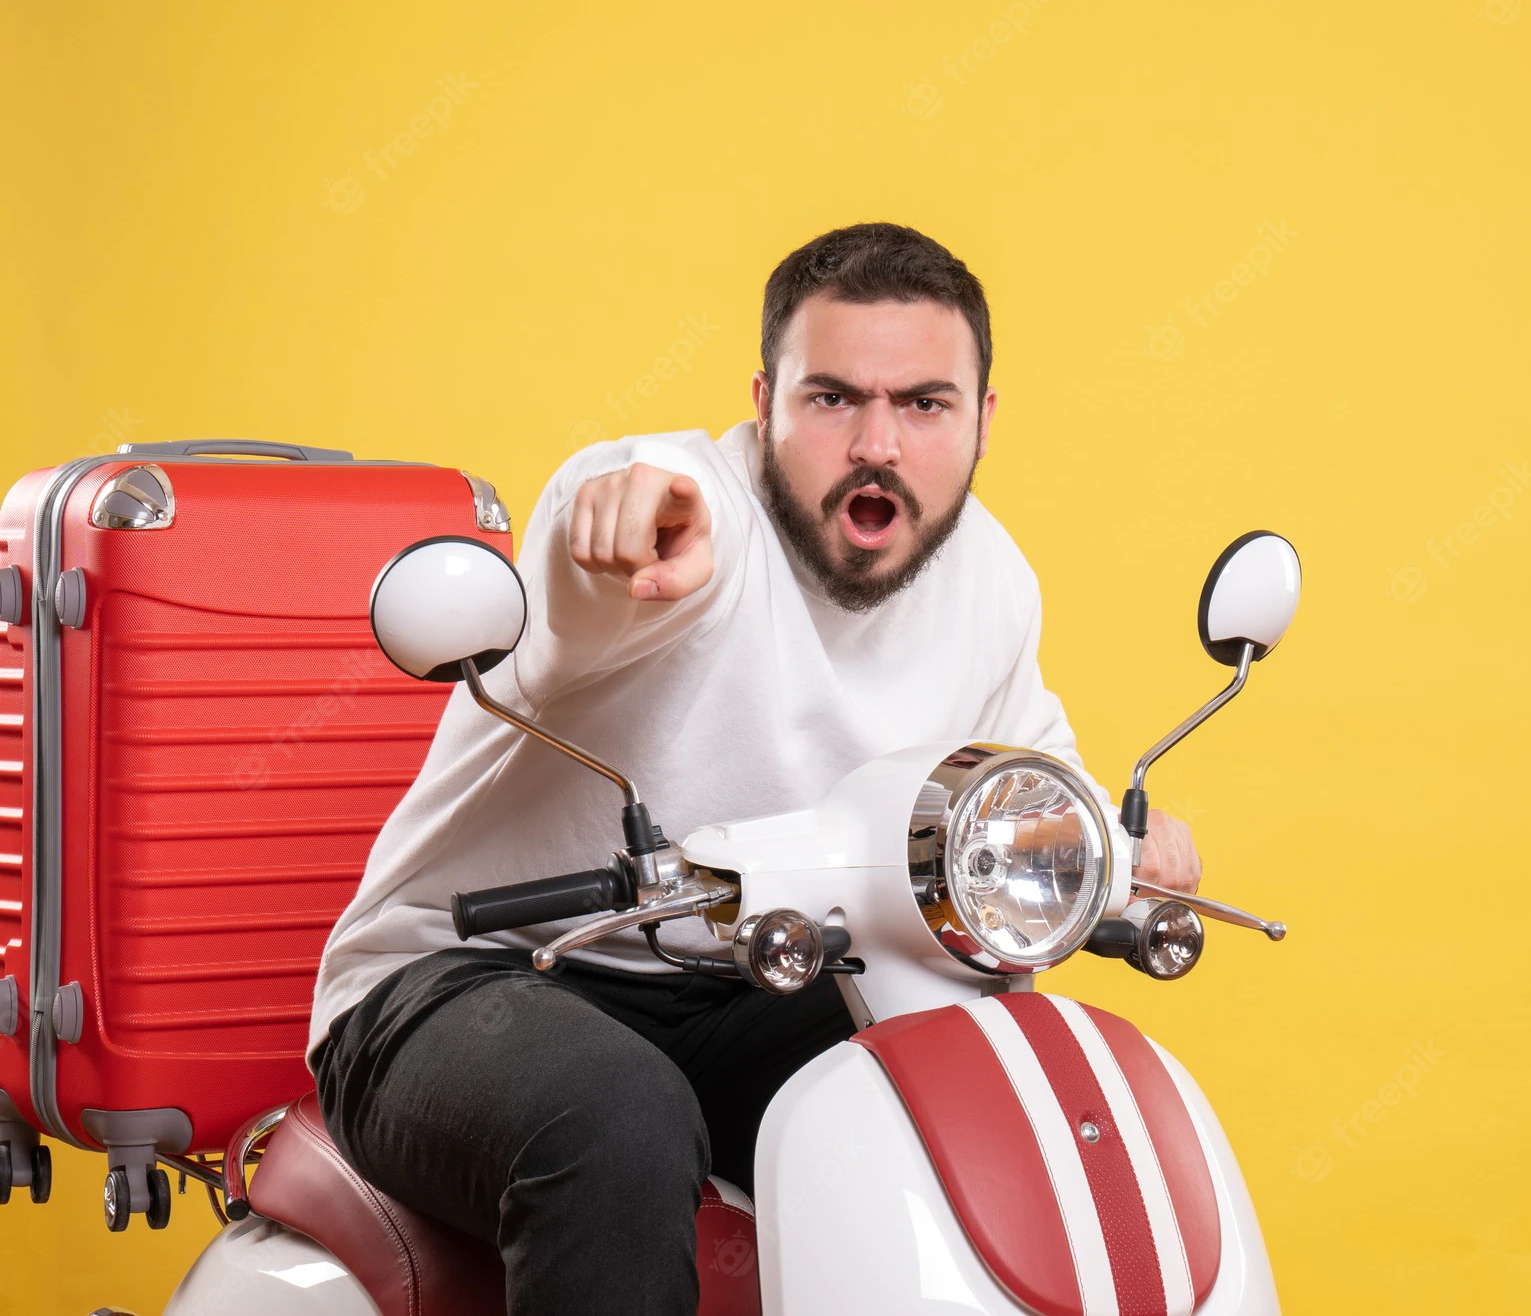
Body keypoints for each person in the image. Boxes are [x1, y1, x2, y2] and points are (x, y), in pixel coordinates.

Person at [305, 222, 1205, 1314]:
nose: (877, 443)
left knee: (984, 1061)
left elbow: (1027, 780)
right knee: (615, 1112)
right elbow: (613, 534)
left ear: (982, 420)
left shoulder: (989, 581)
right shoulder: (696, 527)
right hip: (472, 980)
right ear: (763, 402)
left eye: (923, 403)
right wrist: (622, 515)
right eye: (831, 398)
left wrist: (1119, 845)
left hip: (749, 985)